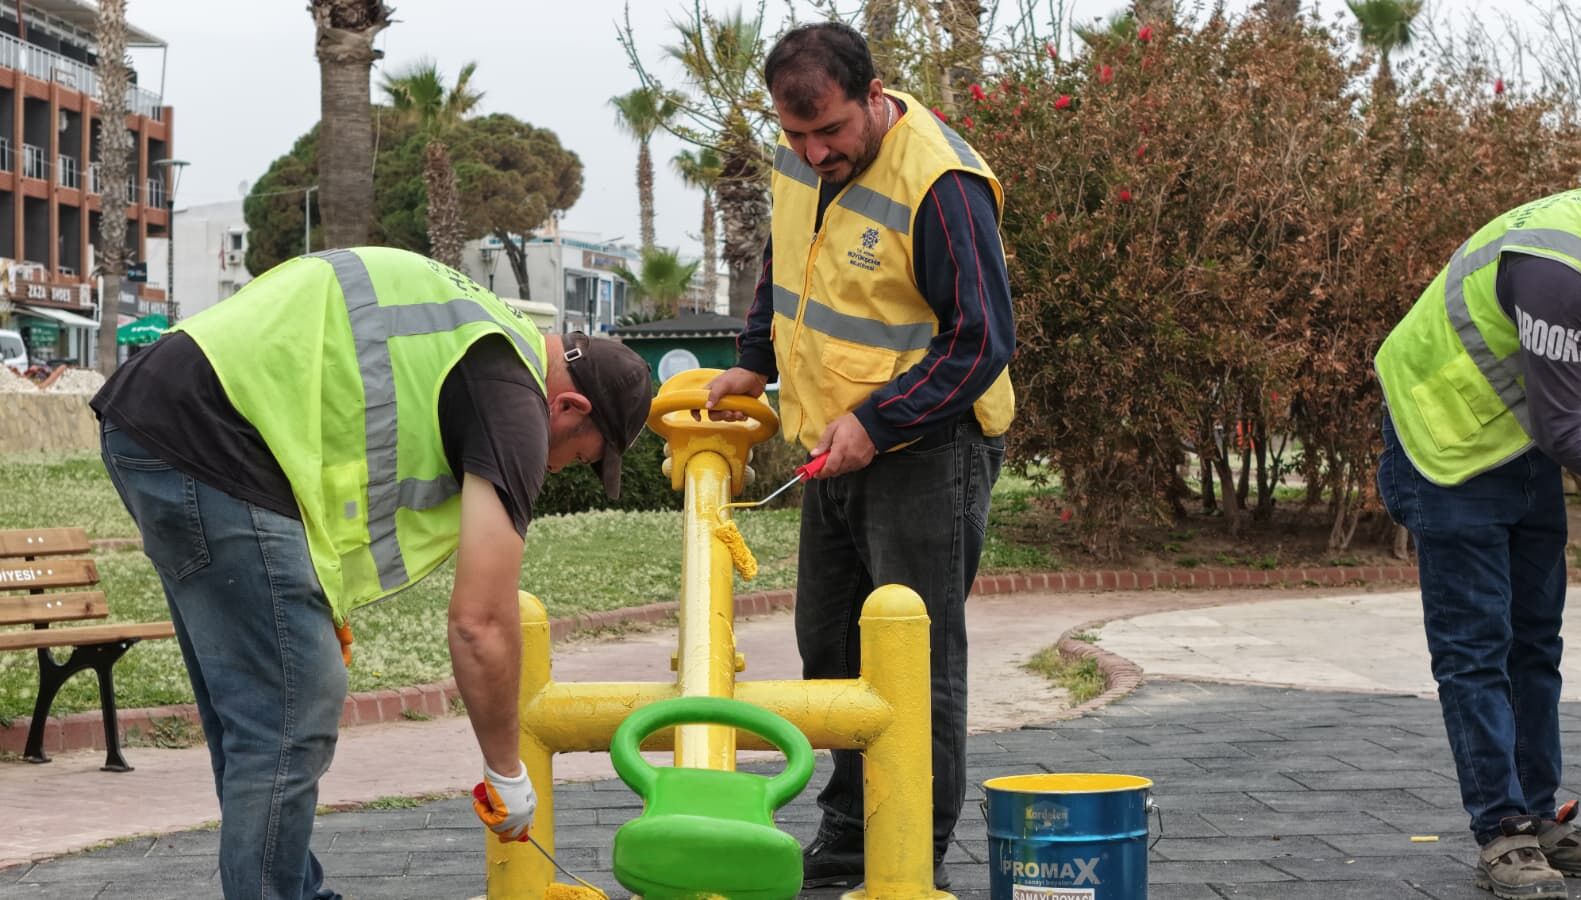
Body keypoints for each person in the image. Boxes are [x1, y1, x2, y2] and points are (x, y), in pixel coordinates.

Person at [91, 247, 652, 900]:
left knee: (264, 714)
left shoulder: (478, 337)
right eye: (585, 458)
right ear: (571, 407)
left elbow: (325, 428)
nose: (564, 471)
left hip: (171, 420)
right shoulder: (513, 400)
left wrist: (320, 602)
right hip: (207, 434)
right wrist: (506, 772)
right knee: (287, 713)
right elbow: (481, 623)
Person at [704, 22, 1015, 890]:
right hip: (830, 449)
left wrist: (879, 422)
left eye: (831, 131)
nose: (814, 152)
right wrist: (754, 360)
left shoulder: (942, 180)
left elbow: (983, 339)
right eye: (796, 134)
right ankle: (848, 848)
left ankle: (910, 860)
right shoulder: (795, 160)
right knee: (829, 652)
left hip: (927, 448)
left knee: (912, 663)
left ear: (874, 96)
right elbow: (788, 261)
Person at [1376, 185, 1581, 899]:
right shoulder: (1560, 272)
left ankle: (1541, 814)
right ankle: (1503, 830)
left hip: (1525, 433)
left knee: (1536, 641)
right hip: (1448, 436)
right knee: (1478, 647)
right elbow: (1568, 430)